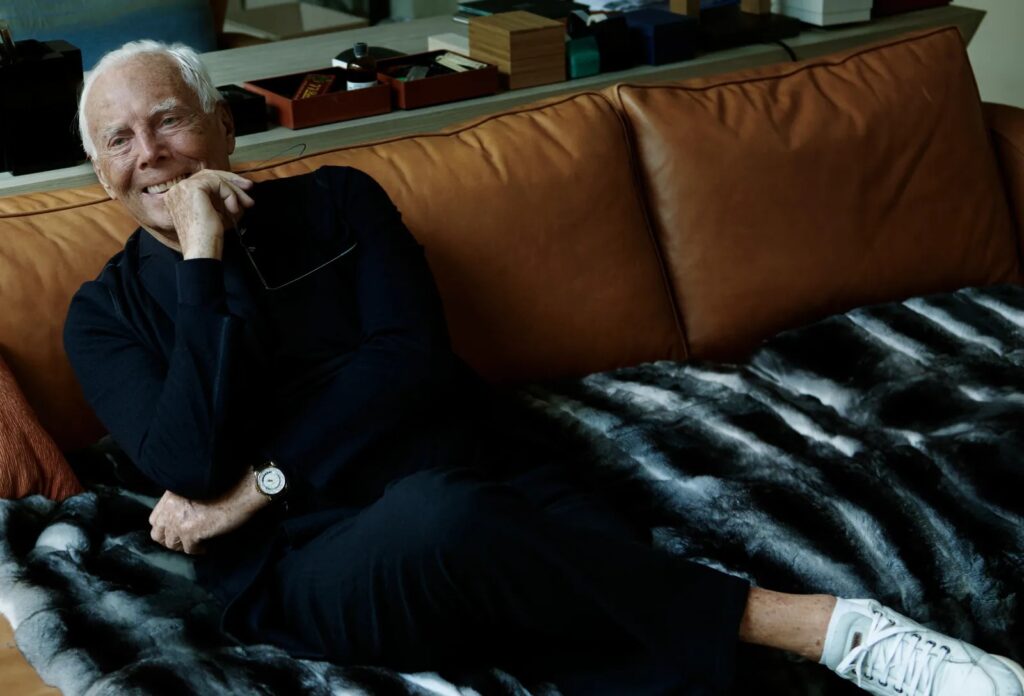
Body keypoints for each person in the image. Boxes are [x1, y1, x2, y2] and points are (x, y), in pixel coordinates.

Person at [63, 40, 1024, 696]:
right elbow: (189, 459)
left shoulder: (340, 203)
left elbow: (410, 364)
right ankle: (832, 631)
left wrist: (259, 482)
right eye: (120, 140)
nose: (151, 155)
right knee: (447, 521)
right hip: (308, 563)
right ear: (102, 174)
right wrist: (202, 257)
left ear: (223, 127)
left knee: (640, 651)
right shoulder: (103, 317)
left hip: (484, 473)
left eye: (170, 122)